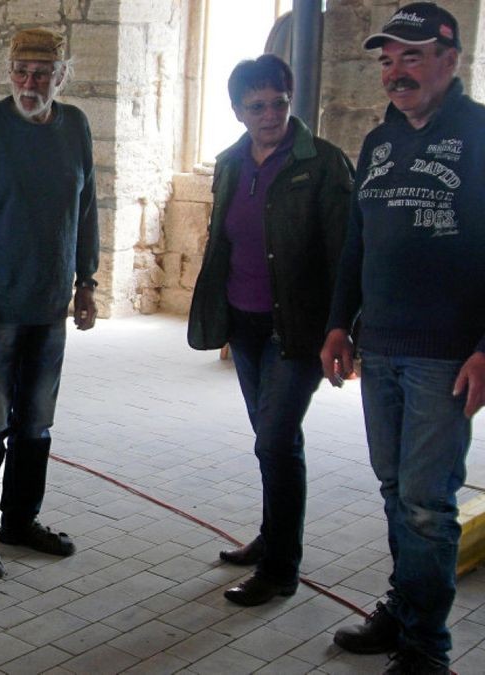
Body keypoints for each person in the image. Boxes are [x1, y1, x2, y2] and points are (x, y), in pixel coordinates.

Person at [321, 4, 485, 673]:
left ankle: (427, 644)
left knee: (426, 501)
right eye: (388, 61)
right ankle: (404, 606)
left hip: (445, 353)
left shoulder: (480, 135)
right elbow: (357, 243)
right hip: (381, 345)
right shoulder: (378, 142)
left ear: (450, 59)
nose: (396, 73)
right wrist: (339, 320)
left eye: (411, 57)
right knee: (395, 489)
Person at [187, 54, 353, 607]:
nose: (270, 115)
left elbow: (345, 253)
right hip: (247, 323)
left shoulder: (322, 164)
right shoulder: (232, 162)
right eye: (256, 106)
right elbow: (225, 240)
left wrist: (342, 327)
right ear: (237, 110)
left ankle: (282, 568)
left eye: (279, 103)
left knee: (276, 439)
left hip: (297, 329)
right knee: (272, 443)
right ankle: (271, 535)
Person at [0, 28, 99, 580]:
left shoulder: (74, 126)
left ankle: (21, 522)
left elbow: (87, 209)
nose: (30, 83)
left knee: (37, 425)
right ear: (9, 73)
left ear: (62, 75)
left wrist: (88, 282)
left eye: (42, 73)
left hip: (50, 305)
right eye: (20, 71)